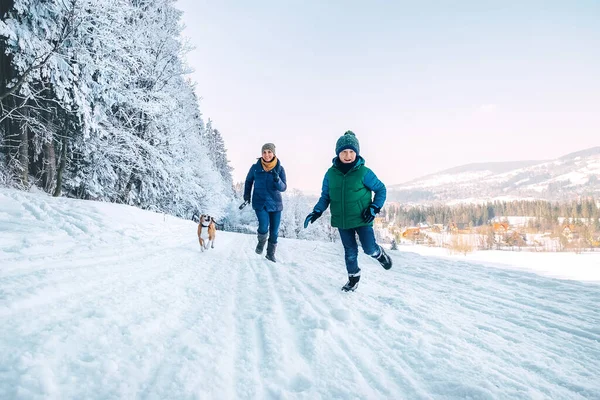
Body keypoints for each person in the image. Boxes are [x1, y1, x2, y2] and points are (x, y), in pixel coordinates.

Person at [304, 131, 392, 291]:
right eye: (344, 151)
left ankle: (379, 254)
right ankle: (353, 279)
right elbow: (326, 196)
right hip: (342, 220)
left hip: (362, 218)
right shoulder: (330, 174)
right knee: (350, 252)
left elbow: (381, 189)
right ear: (338, 153)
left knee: (369, 248)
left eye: (351, 151)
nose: (348, 155)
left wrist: (374, 207)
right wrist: (317, 211)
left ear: (356, 153)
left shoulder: (364, 172)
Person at [244, 143, 287, 262]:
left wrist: (277, 179)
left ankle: (270, 254)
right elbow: (248, 181)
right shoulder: (255, 168)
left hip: (276, 204)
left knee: (274, 230)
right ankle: (261, 241)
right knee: (263, 225)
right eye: (264, 152)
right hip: (260, 202)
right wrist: (246, 195)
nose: (267, 155)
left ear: (274, 153)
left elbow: (283, 187)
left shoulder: (279, 168)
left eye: (269, 152)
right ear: (261, 154)